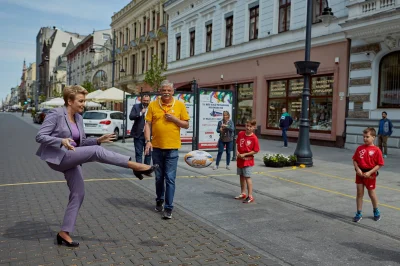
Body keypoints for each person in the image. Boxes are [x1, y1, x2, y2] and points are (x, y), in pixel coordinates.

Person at [35, 85, 157, 247]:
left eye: (84, 100)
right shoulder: (56, 114)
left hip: (72, 156)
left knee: (78, 193)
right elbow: (40, 136)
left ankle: (64, 233)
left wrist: (99, 139)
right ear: (69, 101)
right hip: (58, 157)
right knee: (96, 152)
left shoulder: (78, 117)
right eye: (80, 100)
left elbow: (81, 142)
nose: (83, 104)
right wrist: (61, 141)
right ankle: (136, 166)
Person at [144, 80, 190, 219]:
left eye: (168, 90)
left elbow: (186, 124)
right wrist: (148, 141)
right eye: (164, 90)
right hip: (157, 147)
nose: (166, 92)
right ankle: (159, 200)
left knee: (170, 178)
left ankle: (169, 208)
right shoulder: (153, 104)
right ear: (160, 91)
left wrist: (175, 120)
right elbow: (148, 124)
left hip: (172, 148)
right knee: (159, 178)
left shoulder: (180, 105)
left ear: (172, 91)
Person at [352, 127, 384, 223]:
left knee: (371, 193)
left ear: (373, 137)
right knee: (359, 193)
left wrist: (370, 172)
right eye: (364, 137)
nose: (365, 138)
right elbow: (355, 160)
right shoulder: (360, 148)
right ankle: (358, 212)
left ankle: (376, 210)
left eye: (367, 137)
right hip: (360, 173)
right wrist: (357, 169)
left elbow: (380, 164)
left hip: (370, 174)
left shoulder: (376, 150)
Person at [234, 119, 260, 204]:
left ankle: (250, 196)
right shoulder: (241, 134)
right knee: (241, 176)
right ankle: (243, 193)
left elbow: (256, 150)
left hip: (247, 160)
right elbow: (237, 144)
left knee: (247, 177)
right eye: (247, 126)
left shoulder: (254, 138)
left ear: (254, 127)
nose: (248, 128)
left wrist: (245, 154)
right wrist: (237, 152)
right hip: (240, 159)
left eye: (250, 126)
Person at [129, 94, 151, 165]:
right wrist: (140, 113)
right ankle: (139, 169)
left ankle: (146, 169)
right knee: (138, 153)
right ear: (141, 100)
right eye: (144, 100)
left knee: (148, 153)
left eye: (147, 101)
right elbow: (131, 116)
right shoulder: (136, 107)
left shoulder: (152, 107)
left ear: (150, 101)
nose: (146, 102)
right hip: (138, 134)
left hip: (149, 135)